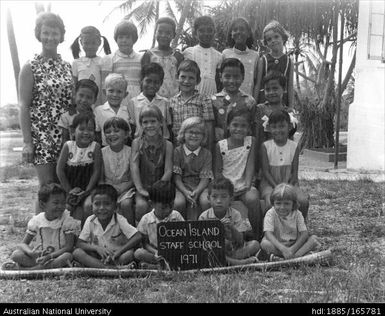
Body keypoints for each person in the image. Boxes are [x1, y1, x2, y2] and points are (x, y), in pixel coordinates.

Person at [19, 12, 73, 212]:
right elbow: (23, 105)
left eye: (55, 33)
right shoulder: (30, 66)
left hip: (65, 135)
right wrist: (27, 142)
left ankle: (59, 234)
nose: (50, 37)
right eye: (46, 33)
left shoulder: (67, 66)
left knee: (62, 186)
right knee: (46, 188)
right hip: (42, 135)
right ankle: (38, 234)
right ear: (39, 34)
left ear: (61, 36)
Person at [2, 184, 80, 270]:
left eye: (63, 203)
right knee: (16, 254)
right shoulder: (37, 221)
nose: (60, 206)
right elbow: (23, 244)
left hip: (57, 257)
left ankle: (29, 270)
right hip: (40, 258)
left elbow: (69, 247)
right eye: (56, 203)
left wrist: (50, 256)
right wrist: (31, 252)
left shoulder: (67, 221)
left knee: (67, 256)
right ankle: (41, 267)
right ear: (43, 204)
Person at [214, 109, 263, 240]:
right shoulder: (220, 145)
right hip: (226, 185)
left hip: (244, 184)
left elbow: (250, 165)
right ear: (228, 126)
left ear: (248, 128)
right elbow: (218, 171)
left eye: (243, 126)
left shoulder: (251, 141)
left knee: (253, 198)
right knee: (219, 201)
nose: (239, 129)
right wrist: (228, 190)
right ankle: (221, 237)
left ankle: (257, 236)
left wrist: (247, 185)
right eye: (235, 125)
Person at [73, 184, 142, 268]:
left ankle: (98, 267)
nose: (101, 208)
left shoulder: (119, 220)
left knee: (129, 254)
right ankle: (110, 268)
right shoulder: (90, 220)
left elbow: (137, 236)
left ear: (115, 207)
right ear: (92, 207)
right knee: (77, 252)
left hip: (115, 256)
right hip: (97, 256)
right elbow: (80, 243)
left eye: (107, 204)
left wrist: (119, 251)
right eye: (97, 204)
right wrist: (96, 248)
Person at [199, 178, 260, 266]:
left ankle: (229, 261)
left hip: (234, 250)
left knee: (255, 244)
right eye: (214, 197)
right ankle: (240, 263)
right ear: (208, 198)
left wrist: (231, 227)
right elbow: (202, 242)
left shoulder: (236, 214)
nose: (219, 201)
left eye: (224, 197)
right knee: (207, 252)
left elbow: (240, 241)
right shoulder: (204, 217)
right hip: (216, 250)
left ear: (231, 199)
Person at [260, 110, 309, 219]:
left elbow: (294, 173)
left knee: (303, 201)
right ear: (269, 128)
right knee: (269, 203)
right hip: (270, 183)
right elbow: (266, 172)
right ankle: (267, 231)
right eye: (274, 127)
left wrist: (287, 188)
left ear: (289, 127)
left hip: (290, 183)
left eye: (282, 126)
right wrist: (277, 187)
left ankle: (300, 228)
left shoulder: (294, 146)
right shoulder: (266, 146)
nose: (278, 130)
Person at [130, 105, 173, 224]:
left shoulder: (168, 145)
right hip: (143, 188)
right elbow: (134, 167)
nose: (149, 125)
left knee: (162, 207)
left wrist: (156, 191)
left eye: (153, 121)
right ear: (141, 124)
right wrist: (140, 189)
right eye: (145, 122)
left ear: (160, 122)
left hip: (162, 189)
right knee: (141, 206)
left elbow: (168, 170)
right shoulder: (136, 143)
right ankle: (142, 237)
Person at [56, 113, 102, 224]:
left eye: (90, 130)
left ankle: (86, 235)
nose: (86, 133)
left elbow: (96, 171)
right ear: (72, 131)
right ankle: (63, 235)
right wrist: (69, 191)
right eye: (81, 129)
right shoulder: (68, 146)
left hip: (88, 189)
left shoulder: (95, 147)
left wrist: (87, 191)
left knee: (88, 206)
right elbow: (60, 170)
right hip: (70, 189)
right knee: (67, 209)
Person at [261, 183, 320, 261]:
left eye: (287, 204)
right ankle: (296, 257)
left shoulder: (297, 214)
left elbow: (304, 234)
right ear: (273, 203)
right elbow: (268, 233)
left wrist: (292, 249)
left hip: (295, 245)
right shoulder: (270, 213)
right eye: (278, 203)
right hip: (278, 245)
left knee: (314, 239)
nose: (282, 207)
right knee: (264, 243)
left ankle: (288, 257)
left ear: (293, 204)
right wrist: (283, 249)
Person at [134, 181, 184, 270]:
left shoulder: (176, 216)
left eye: (171, 205)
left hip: (173, 252)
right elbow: (145, 243)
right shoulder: (146, 219)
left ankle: (158, 267)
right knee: (138, 253)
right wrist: (156, 252)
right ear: (151, 204)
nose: (168, 210)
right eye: (163, 207)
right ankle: (161, 266)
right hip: (155, 253)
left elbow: (184, 238)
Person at [169, 60, 215, 150]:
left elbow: (209, 128)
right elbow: (170, 129)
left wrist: (209, 150)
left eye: (191, 78)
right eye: (183, 77)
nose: (186, 81)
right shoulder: (171, 102)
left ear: (198, 80)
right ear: (177, 77)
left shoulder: (204, 100)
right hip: (178, 149)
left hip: (199, 148)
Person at [173, 117, 213, 220]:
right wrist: (186, 192)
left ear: (203, 136)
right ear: (183, 133)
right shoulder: (177, 152)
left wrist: (197, 192)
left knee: (206, 202)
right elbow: (177, 178)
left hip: (201, 186)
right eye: (190, 132)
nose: (194, 135)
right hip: (181, 187)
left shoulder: (206, 154)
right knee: (178, 203)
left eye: (198, 133)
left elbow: (205, 178)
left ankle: (205, 230)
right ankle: (179, 230)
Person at [211, 58, 258, 142]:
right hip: (219, 149)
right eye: (227, 76)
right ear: (220, 77)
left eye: (236, 77)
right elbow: (210, 128)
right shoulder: (213, 100)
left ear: (243, 77)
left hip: (243, 149)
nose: (232, 81)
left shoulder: (250, 101)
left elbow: (253, 129)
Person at [100, 117, 135, 225]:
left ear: (126, 134)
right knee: (104, 202)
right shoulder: (101, 152)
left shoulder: (131, 152)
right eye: (108, 132)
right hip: (107, 188)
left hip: (126, 189)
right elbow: (100, 179)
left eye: (116, 131)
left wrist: (123, 188)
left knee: (126, 204)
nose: (112, 134)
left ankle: (131, 233)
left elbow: (134, 178)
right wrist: (108, 190)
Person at [254, 20, 294, 109]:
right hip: (265, 102)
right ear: (266, 43)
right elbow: (258, 84)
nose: (273, 41)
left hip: (282, 102)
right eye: (269, 39)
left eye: (276, 37)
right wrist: (254, 105)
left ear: (283, 38)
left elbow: (290, 86)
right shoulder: (263, 60)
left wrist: (291, 107)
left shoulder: (289, 61)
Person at [141, 17, 184, 99]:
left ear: (173, 35)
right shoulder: (149, 55)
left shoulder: (178, 56)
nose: (163, 35)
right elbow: (143, 79)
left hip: (175, 99)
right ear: (155, 33)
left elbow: (182, 79)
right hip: (154, 99)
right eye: (160, 32)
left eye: (168, 33)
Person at [101, 20, 142, 105]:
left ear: (134, 39)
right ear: (116, 39)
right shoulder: (110, 59)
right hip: (117, 100)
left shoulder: (141, 59)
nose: (124, 40)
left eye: (127, 37)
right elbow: (104, 85)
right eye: (121, 37)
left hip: (137, 101)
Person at [127, 63, 172, 140]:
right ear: (141, 81)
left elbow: (168, 126)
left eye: (156, 82)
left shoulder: (165, 102)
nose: (151, 85)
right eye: (148, 81)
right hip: (140, 144)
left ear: (161, 83)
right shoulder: (133, 102)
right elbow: (133, 126)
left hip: (160, 144)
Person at [255, 70, 298, 150]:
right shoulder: (259, 109)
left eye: (275, 89)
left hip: (283, 156)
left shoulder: (289, 113)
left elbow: (291, 137)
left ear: (284, 89)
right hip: (263, 155)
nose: (271, 92)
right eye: (267, 89)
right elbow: (256, 135)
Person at [70, 26, 111, 106]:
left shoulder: (104, 61)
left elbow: (104, 86)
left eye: (93, 43)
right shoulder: (76, 63)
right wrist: (73, 105)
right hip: (81, 104)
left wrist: (104, 106)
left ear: (99, 42)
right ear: (81, 42)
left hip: (98, 104)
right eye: (86, 43)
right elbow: (74, 86)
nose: (90, 46)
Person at [183, 16, 223, 96]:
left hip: (212, 94)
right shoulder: (189, 52)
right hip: (192, 94)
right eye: (201, 30)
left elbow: (219, 81)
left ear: (214, 32)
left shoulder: (219, 56)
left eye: (209, 30)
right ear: (195, 33)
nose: (206, 33)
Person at [222, 17, 259, 96]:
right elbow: (221, 80)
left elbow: (256, 83)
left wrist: (254, 102)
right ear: (231, 34)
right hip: (227, 103)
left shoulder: (255, 56)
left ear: (248, 33)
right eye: (235, 30)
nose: (238, 32)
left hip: (248, 103)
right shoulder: (225, 54)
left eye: (242, 29)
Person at [94, 73, 131, 147]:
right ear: (104, 92)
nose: (115, 95)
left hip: (125, 149)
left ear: (125, 94)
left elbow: (130, 132)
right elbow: (97, 133)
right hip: (105, 149)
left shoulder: (128, 110)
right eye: (111, 91)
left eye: (119, 92)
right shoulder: (98, 110)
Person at [58, 79, 98, 144]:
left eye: (89, 97)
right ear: (74, 94)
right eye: (81, 95)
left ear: (94, 100)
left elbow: (97, 139)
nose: (84, 100)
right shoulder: (66, 117)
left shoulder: (96, 116)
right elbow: (64, 140)